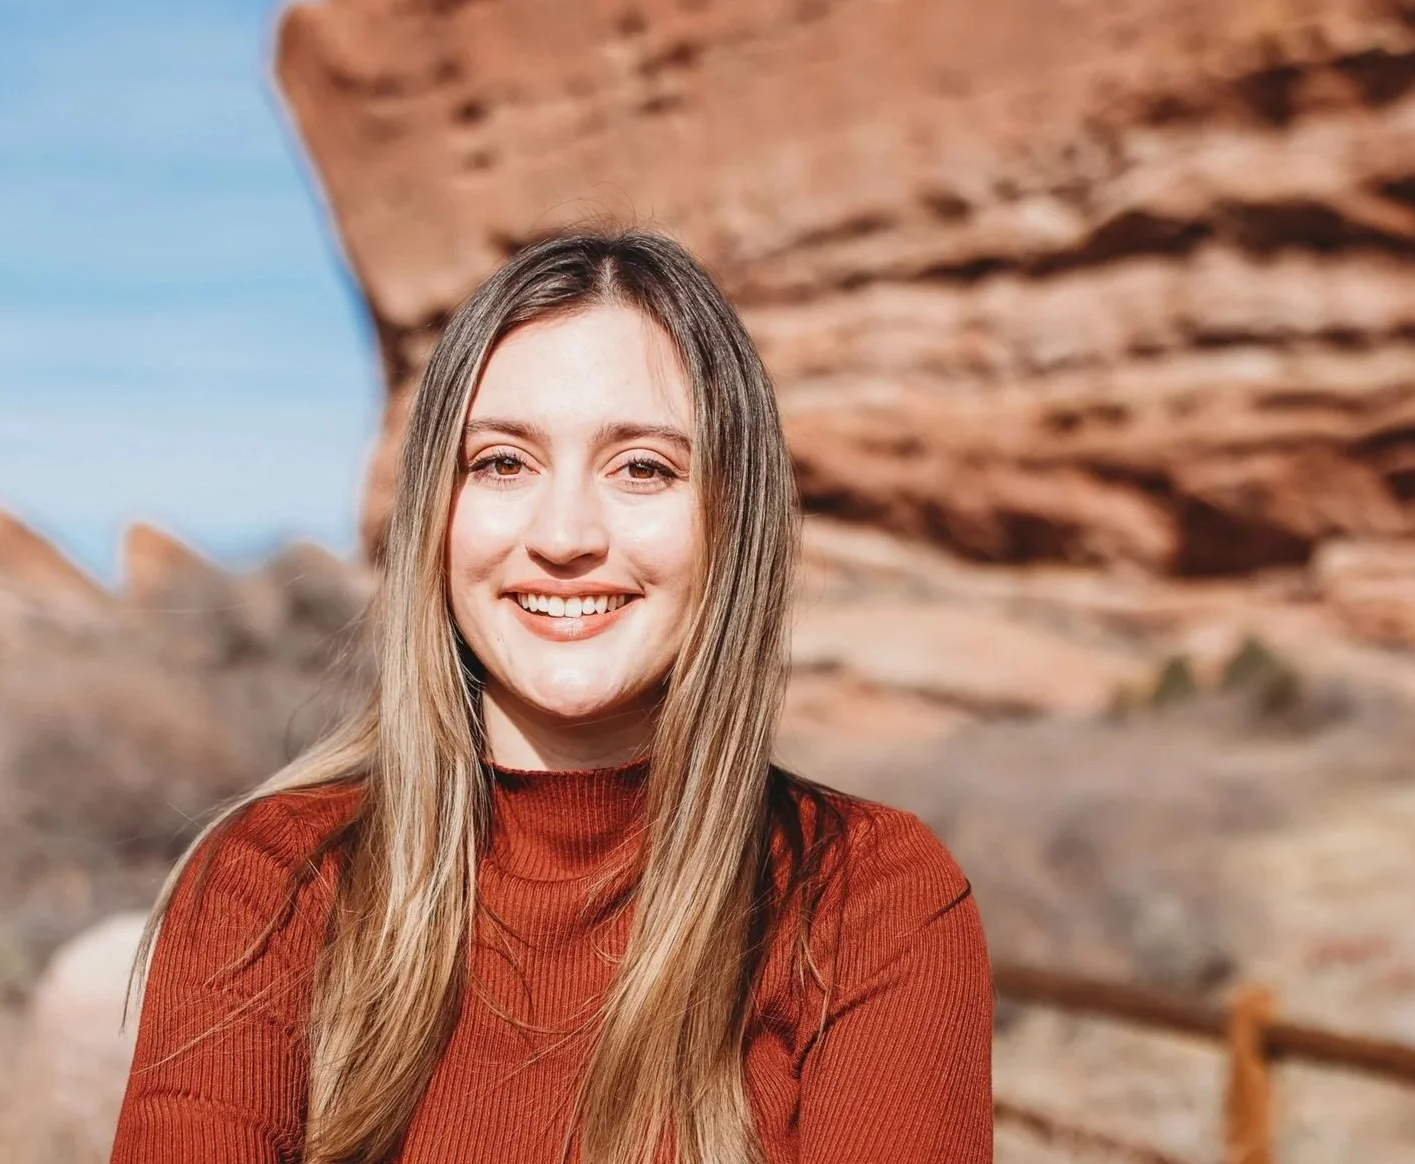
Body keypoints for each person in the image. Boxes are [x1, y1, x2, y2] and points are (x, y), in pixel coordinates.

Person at [108, 227, 992, 1164]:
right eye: (502, 463)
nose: (564, 534)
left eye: (642, 468)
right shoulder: (269, 884)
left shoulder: (868, 899)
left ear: (734, 522)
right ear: (436, 520)